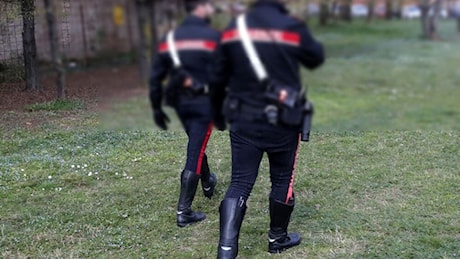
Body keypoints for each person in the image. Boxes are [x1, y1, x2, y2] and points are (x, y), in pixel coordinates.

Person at [209, 0, 325, 258]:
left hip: (243, 116)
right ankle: (277, 238)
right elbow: (315, 57)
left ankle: (226, 251)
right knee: (283, 178)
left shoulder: (233, 28)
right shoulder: (293, 27)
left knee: (239, 182)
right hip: (283, 118)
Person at [149, 0, 221, 228]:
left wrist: (156, 107)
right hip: (202, 101)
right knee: (195, 151)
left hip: (179, 101)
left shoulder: (170, 38)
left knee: (196, 144)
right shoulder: (212, 37)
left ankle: (208, 181)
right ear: (201, 7)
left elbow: (155, 76)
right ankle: (184, 211)